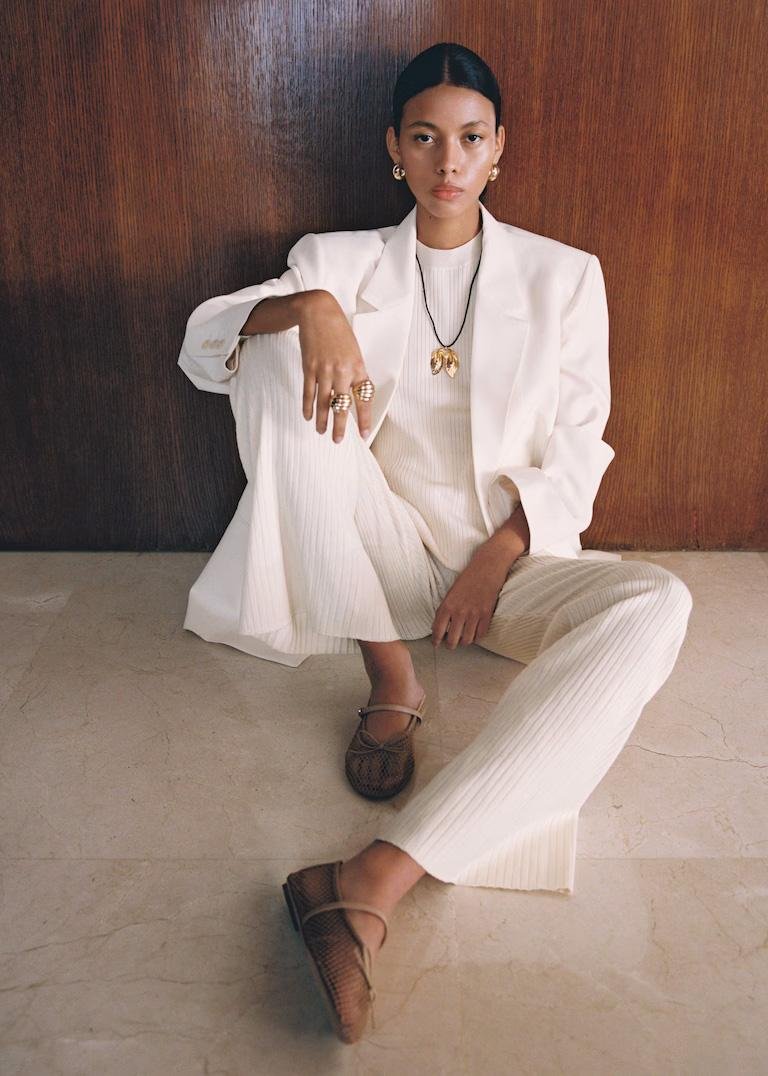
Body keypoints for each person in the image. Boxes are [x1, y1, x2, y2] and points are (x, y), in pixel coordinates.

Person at [177, 43, 693, 1044]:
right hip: (373, 551)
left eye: (469, 138)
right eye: (424, 137)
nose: (447, 161)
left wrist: (498, 556)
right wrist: (307, 308)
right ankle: (391, 676)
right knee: (271, 350)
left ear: (499, 149)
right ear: (394, 149)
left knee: (657, 604)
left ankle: (375, 876)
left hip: (510, 564)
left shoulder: (565, 276)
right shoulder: (337, 260)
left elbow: (582, 444)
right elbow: (202, 348)